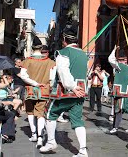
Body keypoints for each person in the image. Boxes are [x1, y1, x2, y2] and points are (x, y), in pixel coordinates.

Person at [40, 26, 88, 157]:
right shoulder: (84, 55)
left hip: (66, 91)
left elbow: (62, 71)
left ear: (65, 39)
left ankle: (50, 142)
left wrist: (72, 87)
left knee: (49, 114)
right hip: (81, 91)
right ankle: (83, 150)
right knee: (77, 120)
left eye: (63, 40)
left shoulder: (63, 53)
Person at [20, 36, 56, 148]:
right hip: (44, 91)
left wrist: (34, 83)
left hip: (30, 90)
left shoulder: (27, 61)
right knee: (40, 114)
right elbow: (52, 78)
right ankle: (40, 138)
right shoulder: (50, 62)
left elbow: (23, 76)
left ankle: (34, 134)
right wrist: (47, 85)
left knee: (30, 113)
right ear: (41, 48)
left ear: (32, 48)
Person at [108, 46, 128, 134]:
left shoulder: (120, 66)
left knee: (118, 110)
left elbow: (110, 59)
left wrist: (114, 49)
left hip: (121, 93)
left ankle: (115, 127)